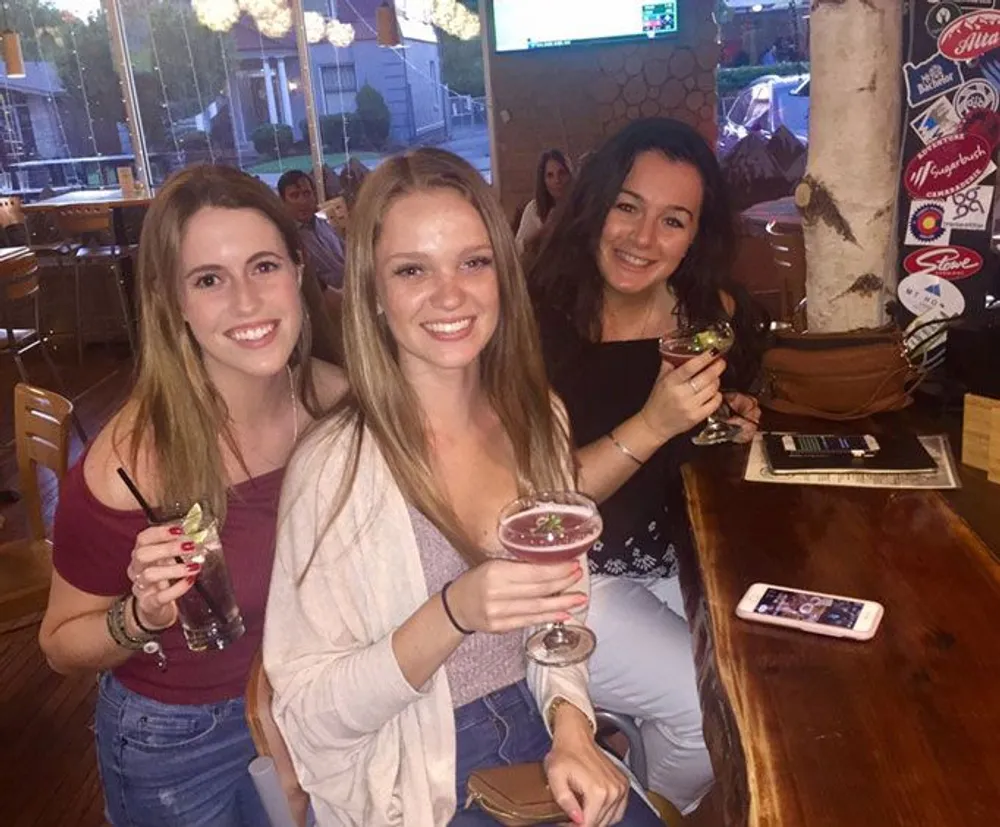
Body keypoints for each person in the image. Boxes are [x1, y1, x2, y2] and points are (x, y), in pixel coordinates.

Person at [263, 148, 661, 827]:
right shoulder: (334, 468)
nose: (451, 295)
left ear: (503, 275)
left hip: (541, 724)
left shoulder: (538, 416)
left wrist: (571, 725)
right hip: (413, 771)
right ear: (373, 294)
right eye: (412, 269)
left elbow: (560, 608)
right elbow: (308, 714)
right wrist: (452, 612)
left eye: (473, 262)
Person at [38, 164, 347, 827]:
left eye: (264, 265)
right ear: (172, 301)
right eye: (209, 279)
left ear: (299, 268)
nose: (245, 301)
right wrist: (143, 615)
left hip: (317, 704)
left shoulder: (338, 403)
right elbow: (59, 643)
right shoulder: (133, 456)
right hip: (182, 738)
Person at [529, 117, 765, 815]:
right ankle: (654, 808)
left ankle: (634, 771)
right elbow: (538, 506)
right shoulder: (531, 319)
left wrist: (738, 428)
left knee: (762, 677)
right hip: (570, 583)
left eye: (674, 220)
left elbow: (705, 454)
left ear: (697, 234)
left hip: (680, 566)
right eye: (627, 206)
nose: (642, 238)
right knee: (711, 710)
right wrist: (655, 421)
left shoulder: (711, 316)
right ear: (595, 201)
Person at [277, 169, 346, 291]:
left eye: (307, 193)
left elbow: (347, 253)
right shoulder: (287, 239)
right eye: (294, 196)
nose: (303, 201)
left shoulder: (323, 224)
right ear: (283, 202)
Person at [515, 148, 573, 252]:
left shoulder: (582, 204)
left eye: (562, 173)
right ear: (543, 181)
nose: (557, 180)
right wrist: (544, 230)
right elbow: (517, 249)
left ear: (570, 175)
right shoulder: (534, 209)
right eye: (550, 175)